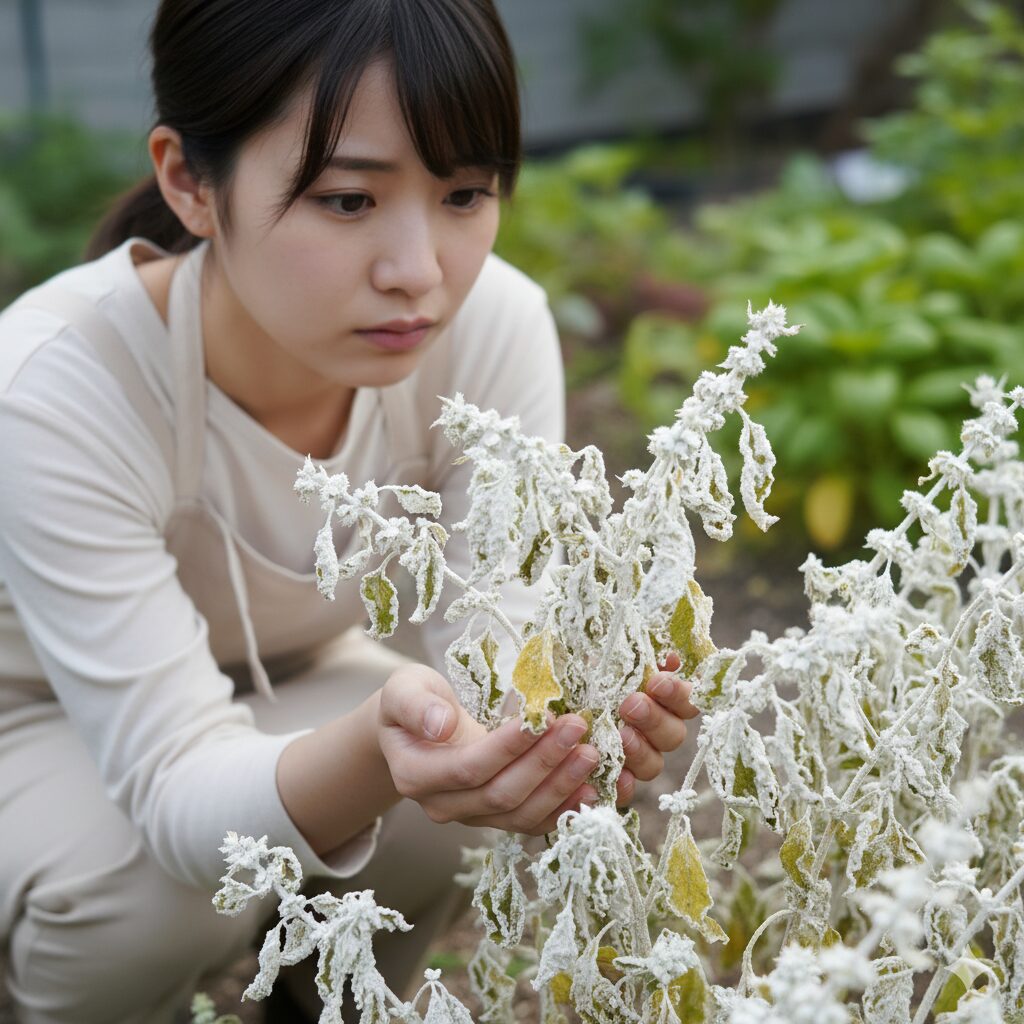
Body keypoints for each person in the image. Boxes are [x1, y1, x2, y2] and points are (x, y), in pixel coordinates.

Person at [0, 2, 700, 1021]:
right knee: (159, 893)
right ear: (190, 181)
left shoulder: (491, 325)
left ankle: (325, 1002)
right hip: (33, 715)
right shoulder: (57, 384)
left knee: (456, 791)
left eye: (463, 192)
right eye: (345, 201)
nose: (417, 271)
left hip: (281, 681)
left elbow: (500, 654)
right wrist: (379, 750)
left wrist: (569, 736)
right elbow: (178, 786)